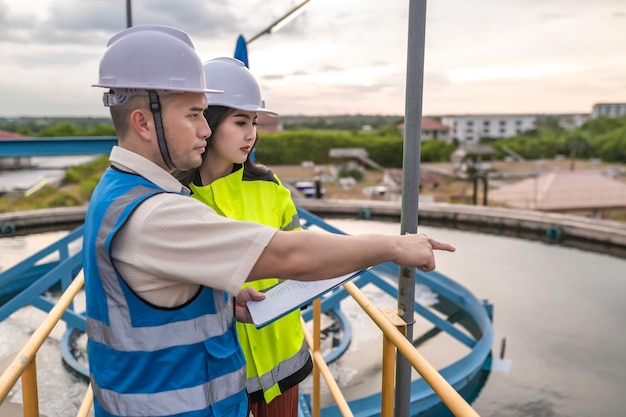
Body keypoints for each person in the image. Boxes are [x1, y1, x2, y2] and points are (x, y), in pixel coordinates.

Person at [84, 24, 455, 417]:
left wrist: (221, 302)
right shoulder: (157, 214)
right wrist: (392, 245)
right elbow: (290, 254)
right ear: (143, 122)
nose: (205, 129)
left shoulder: (120, 192)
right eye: (194, 114)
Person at [175, 56, 310, 417]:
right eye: (240, 122)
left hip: (282, 356)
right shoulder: (176, 197)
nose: (252, 134)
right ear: (209, 121)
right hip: (215, 371)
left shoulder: (268, 184)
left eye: (254, 122)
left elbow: (300, 254)